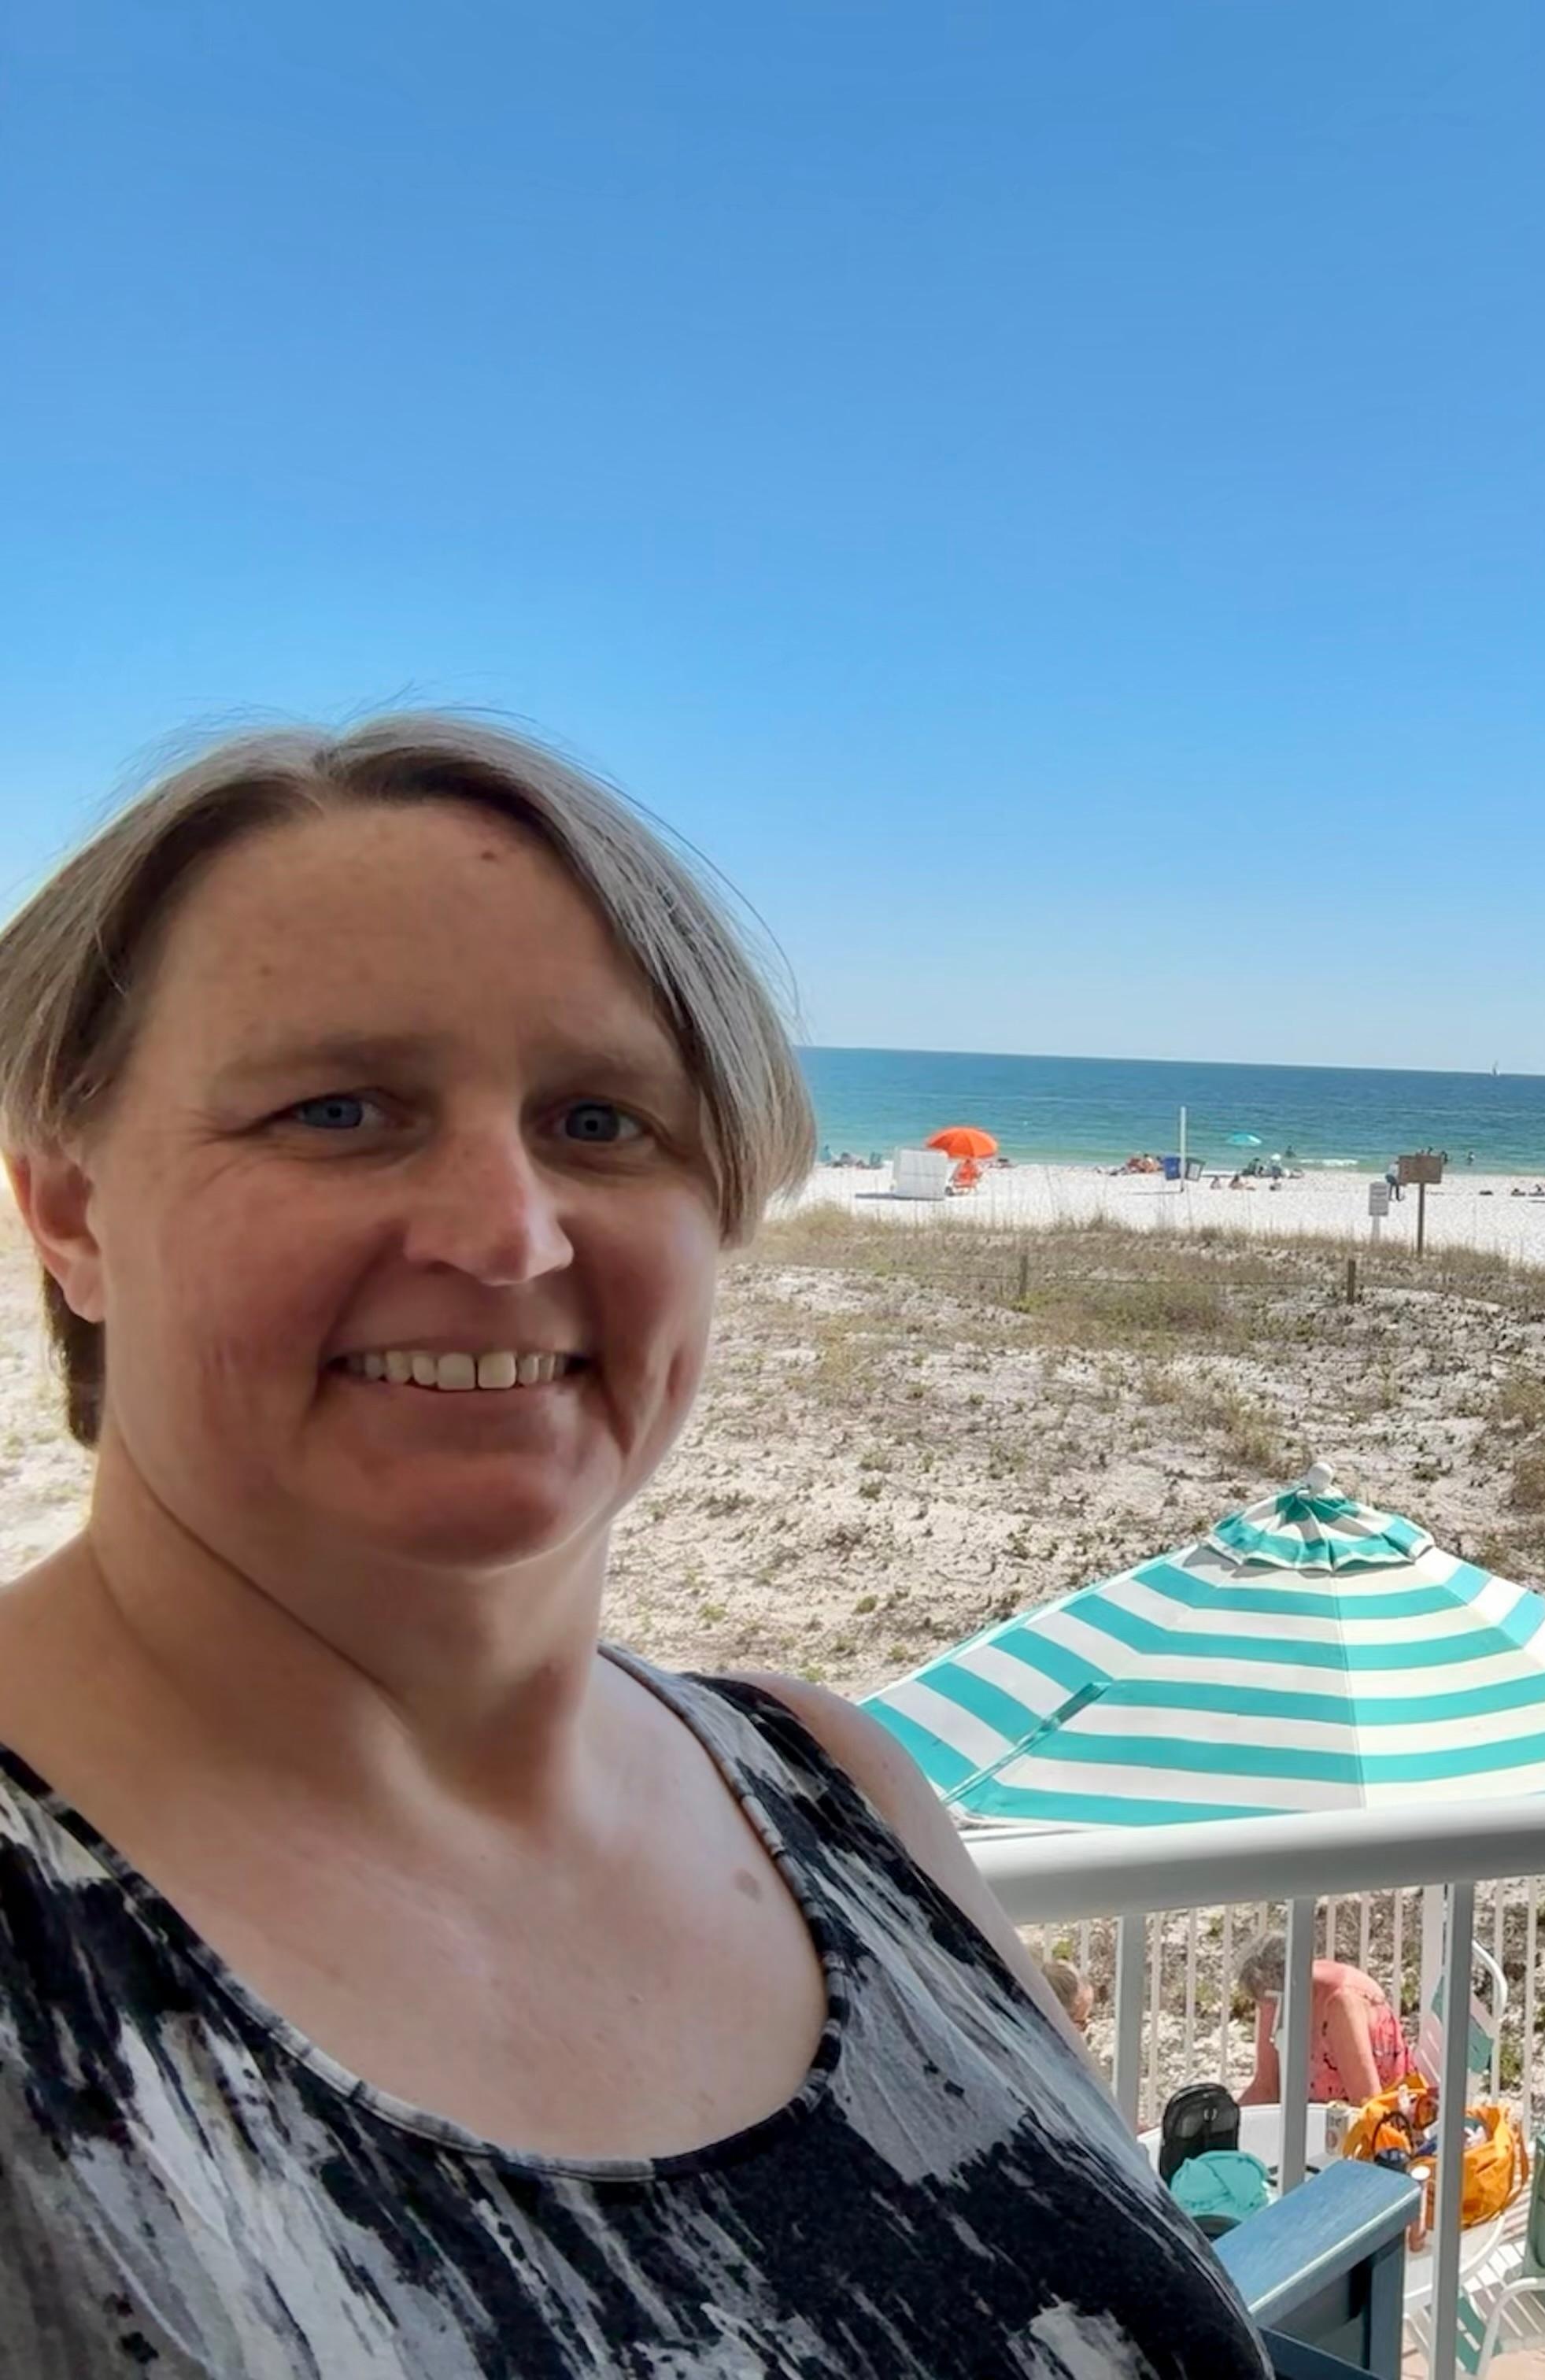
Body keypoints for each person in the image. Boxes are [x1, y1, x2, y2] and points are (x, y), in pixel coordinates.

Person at [0, 719, 1270, 2379]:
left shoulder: (837, 1789)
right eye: (338, 1109)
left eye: (601, 1123)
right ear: (70, 1212)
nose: (505, 1233)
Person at [1235, 1934, 1409, 2110]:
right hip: (1316, 2120)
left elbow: (1368, 2104)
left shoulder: (1340, 2004)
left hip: (1369, 2122)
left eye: (1269, 2001)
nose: (1267, 2009)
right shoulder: (1273, 1994)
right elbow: (1266, 2089)